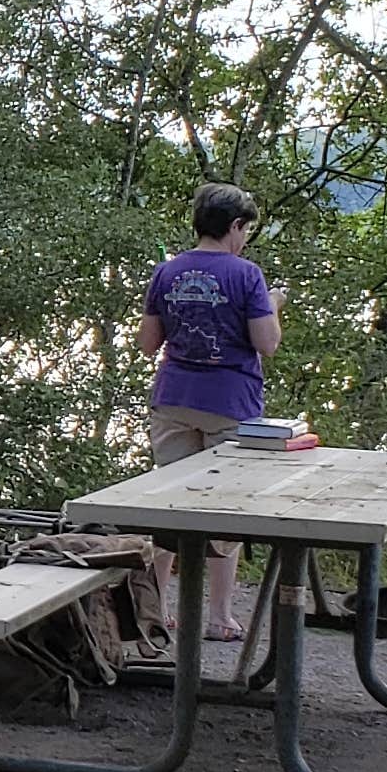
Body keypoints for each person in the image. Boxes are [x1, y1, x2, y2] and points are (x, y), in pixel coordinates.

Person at [138, 183, 285, 638]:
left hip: (174, 398)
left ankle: (155, 612)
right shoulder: (247, 275)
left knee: (168, 509)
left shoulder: (168, 273)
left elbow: (147, 345)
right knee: (226, 513)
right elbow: (267, 343)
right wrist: (275, 305)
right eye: (246, 230)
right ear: (235, 226)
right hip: (230, 404)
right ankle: (219, 617)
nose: (246, 239)